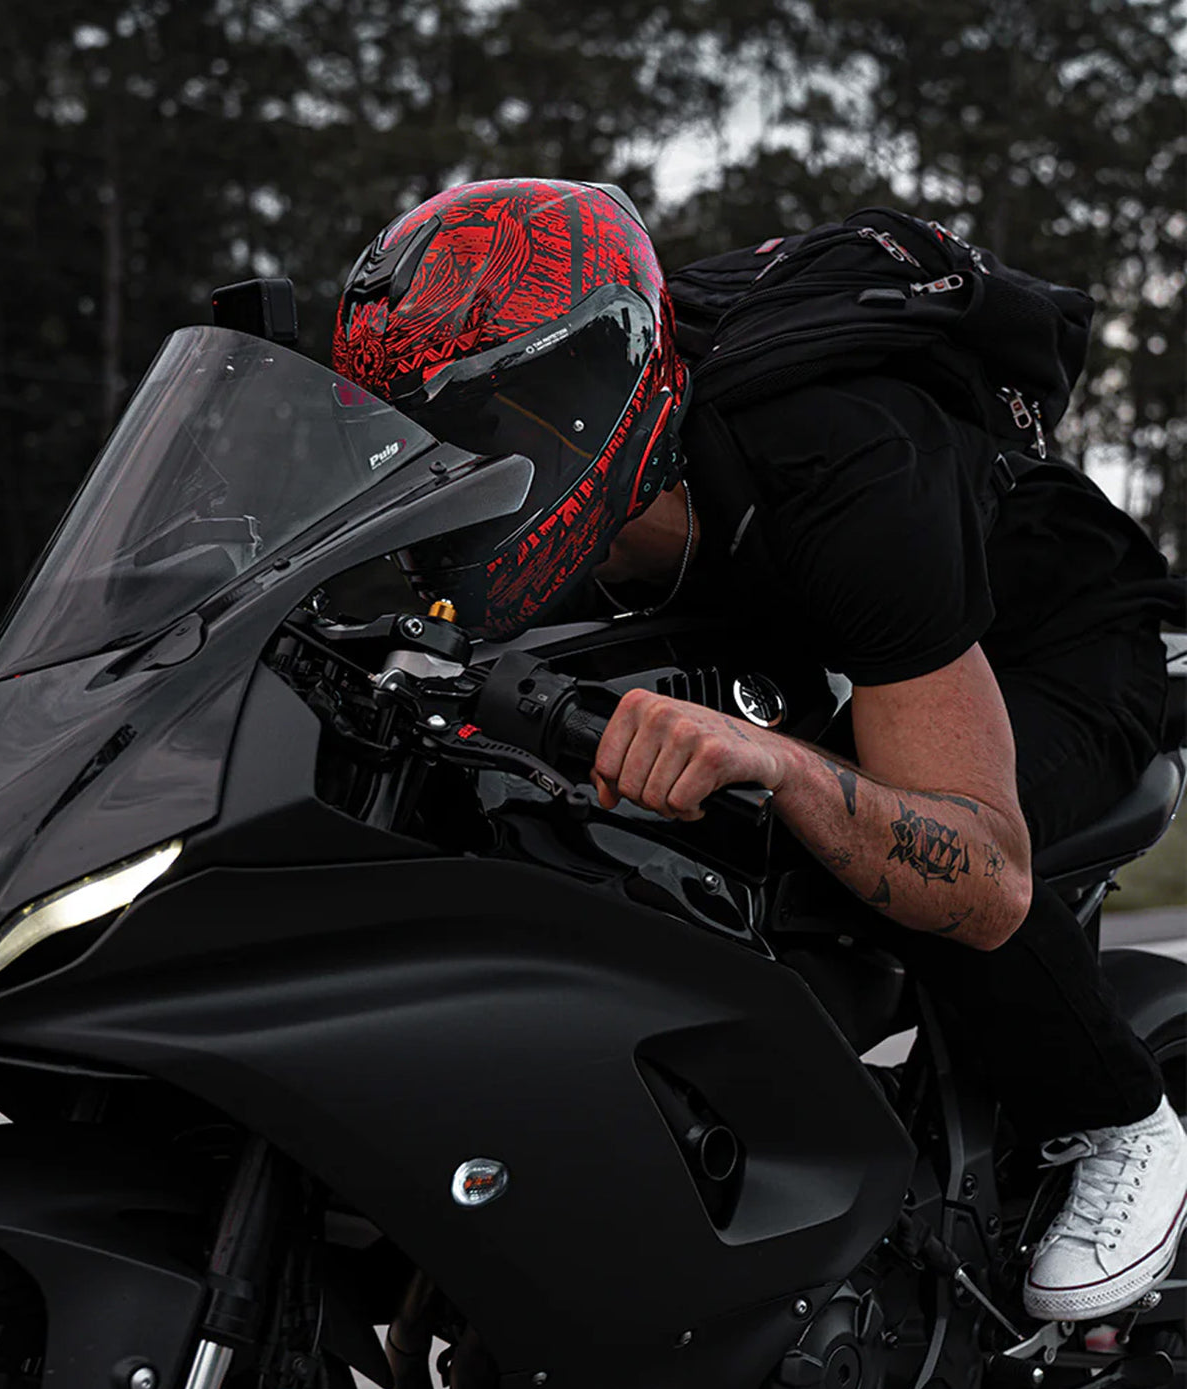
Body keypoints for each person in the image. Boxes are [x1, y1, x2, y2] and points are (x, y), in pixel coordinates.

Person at [331, 178, 1186, 1326]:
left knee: (850, 831)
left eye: (490, 417)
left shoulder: (837, 458)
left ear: (586, 382)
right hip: (818, 620)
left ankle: (1121, 1116)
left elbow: (982, 870)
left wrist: (783, 763)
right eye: (421, 427)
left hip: (1044, 634)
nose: (459, 457)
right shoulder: (572, 486)